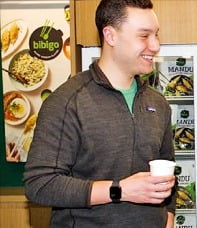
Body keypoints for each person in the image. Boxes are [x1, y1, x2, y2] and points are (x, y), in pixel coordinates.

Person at [23, 0, 176, 227]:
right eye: (144, 36)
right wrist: (119, 190)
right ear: (110, 36)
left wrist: (169, 217)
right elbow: (40, 184)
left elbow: (168, 168)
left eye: (156, 35)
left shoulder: (158, 103)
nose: (155, 46)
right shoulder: (67, 102)